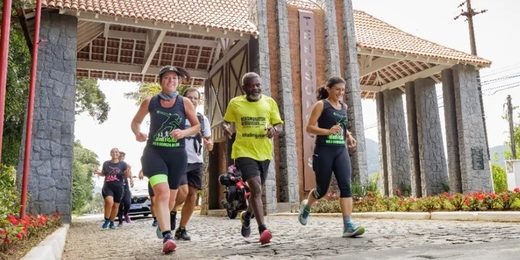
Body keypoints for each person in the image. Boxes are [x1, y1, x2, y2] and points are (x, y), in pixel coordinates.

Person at [131, 65, 200, 254]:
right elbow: (135, 121)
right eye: (167, 77)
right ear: (160, 81)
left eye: (175, 78)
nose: (171, 81)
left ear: (179, 82)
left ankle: (163, 224)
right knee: (161, 193)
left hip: (177, 155)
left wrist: (184, 132)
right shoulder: (150, 102)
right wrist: (138, 133)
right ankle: (168, 237)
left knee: (170, 200)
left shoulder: (184, 102)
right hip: (154, 153)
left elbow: (196, 126)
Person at [297, 76, 365, 238]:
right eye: (337, 89)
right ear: (329, 89)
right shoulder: (321, 105)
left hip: (340, 150)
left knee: (345, 186)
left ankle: (348, 225)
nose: (340, 92)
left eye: (342, 89)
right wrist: (327, 131)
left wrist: (348, 135)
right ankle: (307, 206)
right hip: (324, 151)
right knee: (322, 190)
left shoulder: (344, 106)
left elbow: (341, 125)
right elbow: (310, 127)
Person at [222, 72, 283, 245]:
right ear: (244, 88)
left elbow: (279, 125)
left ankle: (247, 215)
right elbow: (226, 121)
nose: (255, 88)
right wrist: (227, 128)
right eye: (250, 85)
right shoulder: (235, 103)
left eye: (257, 85)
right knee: (255, 187)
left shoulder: (269, 102)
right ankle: (263, 229)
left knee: (257, 192)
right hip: (243, 151)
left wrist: (274, 130)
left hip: (264, 152)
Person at [170, 87, 213, 241]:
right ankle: (172, 212)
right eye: (190, 97)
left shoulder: (202, 119)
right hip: (179, 159)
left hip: (196, 160)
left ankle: (182, 228)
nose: (193, 100)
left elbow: (209, 140)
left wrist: (209, 144)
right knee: (181, 193)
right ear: (184, 99)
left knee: (192, 195)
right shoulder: (177, 116)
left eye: (196, 98)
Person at [94, 148, 130, 230]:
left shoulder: (123, 164)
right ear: (110, 154)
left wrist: (128, 171)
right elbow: (103, 173)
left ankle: (112, 222)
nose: (114, 153)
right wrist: (97, 172)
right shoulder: (106, 163)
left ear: (119, 154)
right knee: (109, 202)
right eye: (113, 152)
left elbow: (126, 176)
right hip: (108, 186)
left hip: (119, 187)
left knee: (116, 205)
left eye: (116, 152)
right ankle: (107, 220)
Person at [117, 151, 134, 227]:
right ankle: (120, 221)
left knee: (127, 202)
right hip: (117, 187)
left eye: (123, 156)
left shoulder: (126, 165)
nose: (121, 157)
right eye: (120, 156)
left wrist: (131, 180)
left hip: (125, 187)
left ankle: (126, 213)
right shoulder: (114, 165)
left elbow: (129, 173)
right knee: (119, 205)